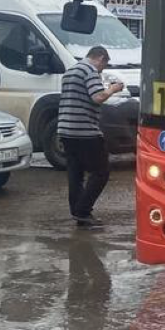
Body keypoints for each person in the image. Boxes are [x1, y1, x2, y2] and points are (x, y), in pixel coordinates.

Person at [58, 45, 124, 226]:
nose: (102, 70)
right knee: (101, 172)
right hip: (84, 131)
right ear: (101, 58)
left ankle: (78, 212)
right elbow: (98, 97)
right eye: (104, 65)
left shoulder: (70, 71)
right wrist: (113, 89)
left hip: (66, 130)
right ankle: (83, 210)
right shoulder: (89, 71)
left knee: (75, 173)